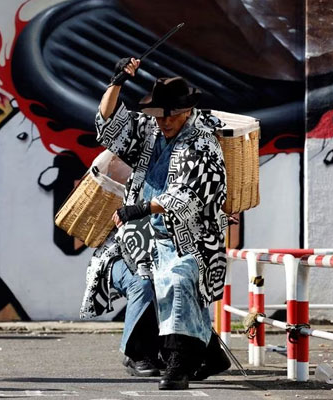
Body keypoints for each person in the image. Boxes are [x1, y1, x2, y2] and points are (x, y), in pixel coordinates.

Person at [81, 57, 230, 390]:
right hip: (142, 237)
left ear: (187, 112)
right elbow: (107, 127)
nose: (163, 122)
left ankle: (179, 363)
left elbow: (191, 194)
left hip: (191, 236)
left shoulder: (203, 142)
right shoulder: (148, 129)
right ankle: (198, 354)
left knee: (178, 281)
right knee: (147, 280)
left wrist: (143, 207)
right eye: (159, 115)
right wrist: (116, 81)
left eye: (170, 116)